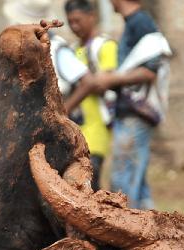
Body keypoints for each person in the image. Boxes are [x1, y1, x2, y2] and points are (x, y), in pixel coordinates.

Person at [63, 0, 171, 208]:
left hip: (136, 112)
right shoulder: (133, 23)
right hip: (130, 112)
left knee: (122, 182)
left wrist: (111, 79)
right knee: (137, 184)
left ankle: (128, 235)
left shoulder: (140, 22)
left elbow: (150, 70)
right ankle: (155, 235)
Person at [65, 0, 117, 191]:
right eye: (70, 22)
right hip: (77, 124)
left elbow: (103, 83)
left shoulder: (105, 46)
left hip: (97, 125)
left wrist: (68, 105)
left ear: (92, 16)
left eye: (78, 20)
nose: (74, 26)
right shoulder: (71, 50)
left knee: (90, 177)